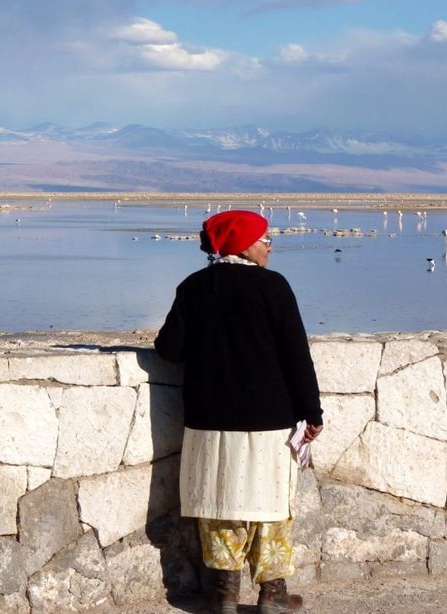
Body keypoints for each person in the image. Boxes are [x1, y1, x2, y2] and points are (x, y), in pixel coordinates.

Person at [155, 209, 323, 614]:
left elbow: (169, 349)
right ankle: (273, 594)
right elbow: (296, 356)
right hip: (269, 421)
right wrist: (311, 412)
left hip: (209, 422)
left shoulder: (194, 288)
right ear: (243, 245)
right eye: (265, 240)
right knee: (272, 504)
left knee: (220, 503)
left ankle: (224, 593)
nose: (269, 247)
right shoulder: (274, 288)